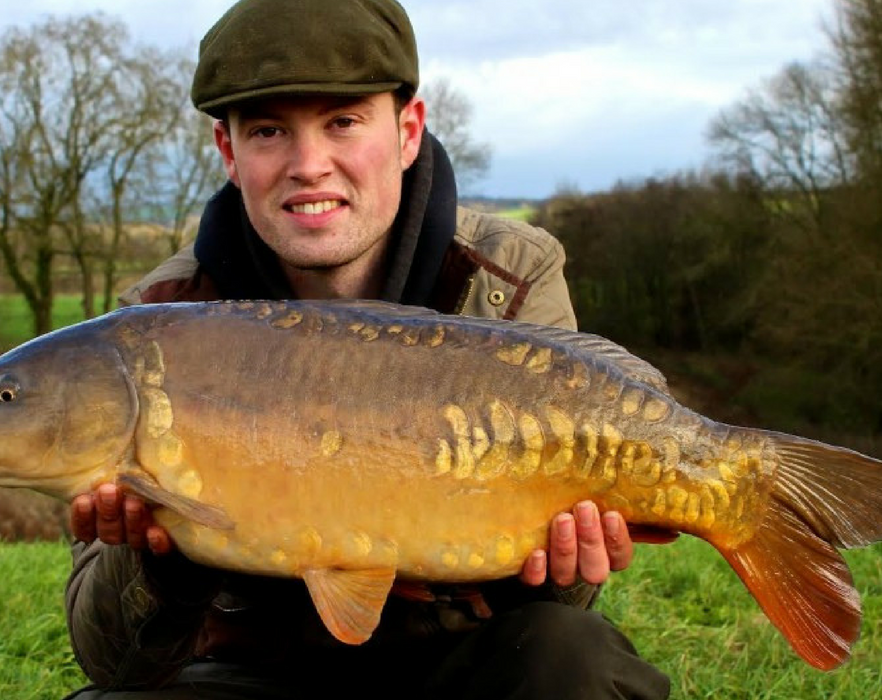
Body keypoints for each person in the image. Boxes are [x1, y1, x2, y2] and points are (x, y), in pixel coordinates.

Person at [63, 1, 671, 698]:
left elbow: (551, 600)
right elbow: (113, 662)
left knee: (573, 656)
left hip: (458, 661)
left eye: (343, 122)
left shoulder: (507, 279)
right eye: (268, 131)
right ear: (228, 152)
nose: (309, 165)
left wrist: (565, 569)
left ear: (408, 131)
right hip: (251, 672)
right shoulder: (150, 328)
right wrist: (158, 558)